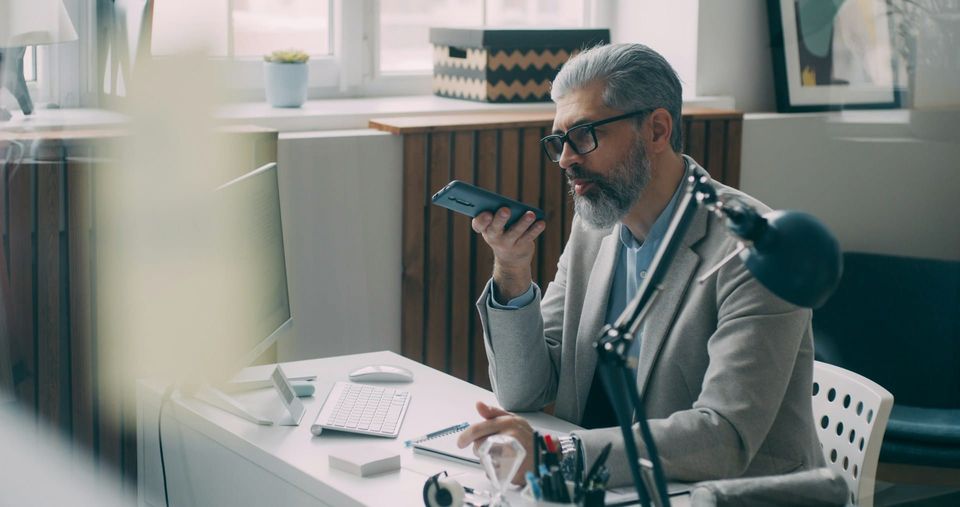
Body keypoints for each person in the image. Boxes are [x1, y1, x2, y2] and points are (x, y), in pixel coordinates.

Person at [456, 43, 824, 488]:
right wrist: (512, 270)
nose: (568, 158)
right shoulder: (595, 228)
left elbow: (724, 436)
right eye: (559, 142)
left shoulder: (755, 250)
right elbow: (526, 390)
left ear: (657, 130)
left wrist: (560, 455)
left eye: (585, 134)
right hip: (618, 489)